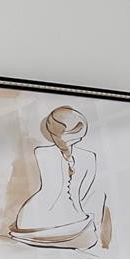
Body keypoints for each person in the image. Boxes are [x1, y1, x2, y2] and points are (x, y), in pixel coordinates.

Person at [10, 106, 102, 249]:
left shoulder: (88, 158)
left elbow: (79, 193)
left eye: (78, 138)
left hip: (72, 212)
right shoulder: (43, 154)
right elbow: (50, 188)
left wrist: (78, 215)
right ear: (52, 135)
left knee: (88, 237)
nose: (73, 141)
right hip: (42, 212)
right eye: (68, 138)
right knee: (82, 236)